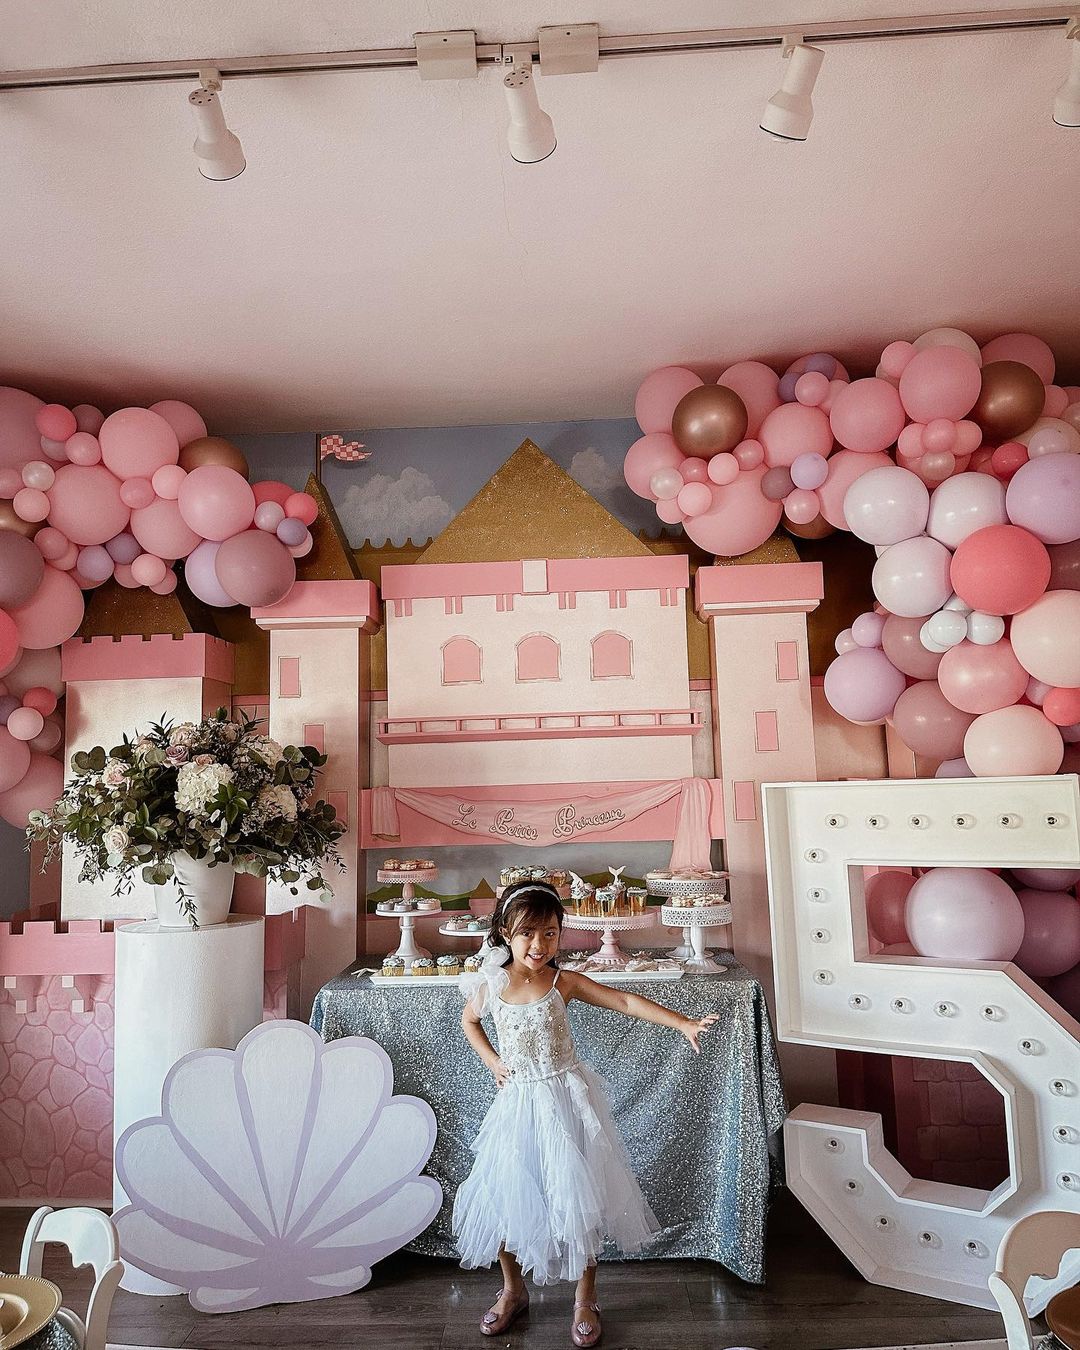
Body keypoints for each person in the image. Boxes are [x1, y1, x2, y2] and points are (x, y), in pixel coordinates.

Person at [453, 880, 720, 1347]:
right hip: (518, 1106)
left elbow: (624, 1000)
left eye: (550, 933)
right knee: (506, 1197)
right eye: (527, 933)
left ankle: (585, 1297)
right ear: (505, 933)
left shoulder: (564, 982)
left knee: (579, 1199)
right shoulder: (492, 985)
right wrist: (493, 1061)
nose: (539, 944)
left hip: (568, 1103)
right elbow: (469, 1021)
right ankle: (512, 1291)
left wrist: (682, 1023)